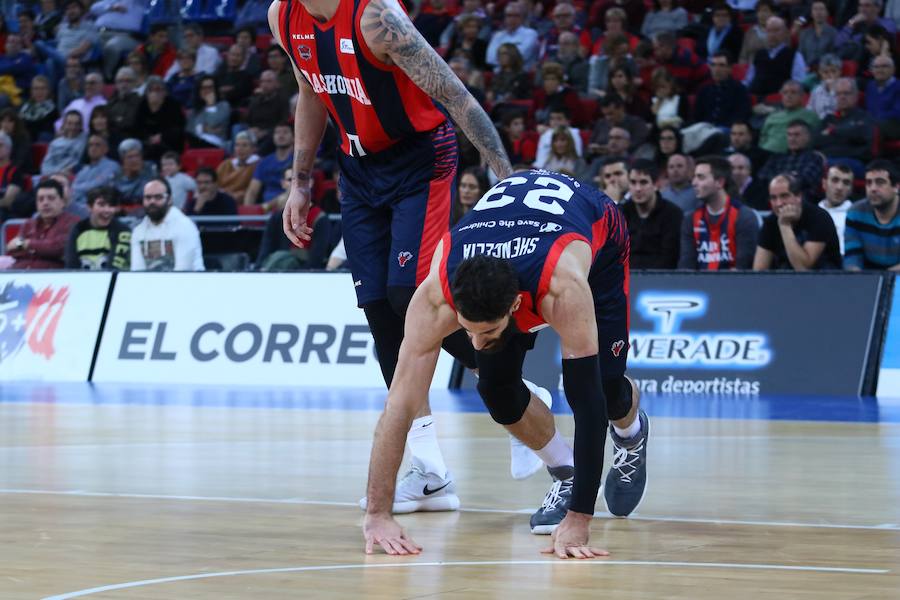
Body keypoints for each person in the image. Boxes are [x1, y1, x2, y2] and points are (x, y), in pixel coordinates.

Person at [271, 0, 543, 514]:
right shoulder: (282, 17)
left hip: (420, 159)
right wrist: (301, 181)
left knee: (408, 297)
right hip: (357, 171)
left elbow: (452, 93)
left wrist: (503, 173)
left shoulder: (377, 18)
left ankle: (517, 391)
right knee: (379, 314)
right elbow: (310, 90)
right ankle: (431, 473)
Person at [362, 170, 648, 559]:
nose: (476, 344)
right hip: (514, 233)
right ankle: (565, 472)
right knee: (496, 390)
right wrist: (379, 513)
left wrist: (580, 519)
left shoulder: (563, 287)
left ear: (515, 306)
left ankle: (631, 433)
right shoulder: (435, 295)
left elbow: (586, 402)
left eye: (488, 331)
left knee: (606, 388)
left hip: (596, 235)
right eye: (468, 331)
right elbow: (399, 405)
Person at [679, 155, 759, 270]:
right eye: (694, 177)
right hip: (699, 286)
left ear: (719, 182)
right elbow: (685, 268)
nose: (694, 183)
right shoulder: (690, 220)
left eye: (700, 177)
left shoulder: (744, 216)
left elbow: (744, 269)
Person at [753, 174, 842, 271]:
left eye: (784, 196)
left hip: (824, 280)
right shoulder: (770, 222)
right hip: (784, 281)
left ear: (798, 196)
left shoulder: (819, 218)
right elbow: (759, 271)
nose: (778, 203)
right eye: (773, 198)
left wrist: (785, 225)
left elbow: (803, 268)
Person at [131, 178, 204, 272]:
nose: (152, 201)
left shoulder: (184, 226)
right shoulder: (138, 231)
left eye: (158, 197)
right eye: (148, 197)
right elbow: (137, 272)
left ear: (169, 199)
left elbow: (183, 271)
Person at [5, 179, 80, 269]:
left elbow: (58, 248)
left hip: (51, 278)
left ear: (62, 202)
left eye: (51, 198)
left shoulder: (73, 222)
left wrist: (27, 244)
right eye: (41, 199)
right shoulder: (28, 224)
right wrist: (42, 249)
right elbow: (12, 251)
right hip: (19, 273)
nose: (45, 203)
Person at [621, 159, 682, 268]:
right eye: (633, 182)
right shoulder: (621, 213)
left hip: (660, 279)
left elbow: (670, 257)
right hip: (626, 278)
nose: (637, 188)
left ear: (656, 184)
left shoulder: (673, 214)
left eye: (643, 182)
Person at [844, 160, 900, 270]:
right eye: (869, 183)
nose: (873, 188)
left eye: (880, 182)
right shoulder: (855, 212)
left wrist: (884, 278)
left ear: (896, 187)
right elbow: (852, 257)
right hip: (868, 280)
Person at [64, 186, 130, 270]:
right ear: (89, 207)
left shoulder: (122, 231)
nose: (107, 210)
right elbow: (71, 266)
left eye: (111, 205)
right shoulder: (77, 229)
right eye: (101, 204)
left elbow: (114, 269)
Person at [745, 16, 807, 97]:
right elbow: (749, 80)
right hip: (756, 100)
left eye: (776, 30)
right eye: (769, 31)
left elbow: (799, 83)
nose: (772, 35)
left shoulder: (795, 56)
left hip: (780, 102)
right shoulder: (759, 55)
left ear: (785, 32)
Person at [758, 120, 824, 195]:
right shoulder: (777, 158)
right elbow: (762, 176)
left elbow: (805, 180)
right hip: (774, 198)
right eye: (789, 135)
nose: (792, 139)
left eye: (796, 135)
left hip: (803, 200)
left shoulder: (814, 157)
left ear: (807, 137)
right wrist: (792, 175)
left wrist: (778, 178)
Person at [758, 80, 821, 154]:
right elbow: (762, 138)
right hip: (765, 154)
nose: (788, 96)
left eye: (793, 92)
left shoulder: (811, 116)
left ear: (802, 96)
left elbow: (814, 140)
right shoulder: (772, 117)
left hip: (791, 156)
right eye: (785, 93)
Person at [694, 50, 751, 127]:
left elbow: (741, 116)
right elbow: (696, 117)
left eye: (721, 65)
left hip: (727, 131)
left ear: (730, 68)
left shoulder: (740, 90)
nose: (716, 69)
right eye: (713, 65)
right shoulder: (704, 90)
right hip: (703, 129)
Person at [485, 1, 539, 71]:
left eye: (516, 15)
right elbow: (490, 58)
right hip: (498, 75)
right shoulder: (498, 35)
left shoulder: (530, 34)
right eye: (509, 15)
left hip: (521, 74)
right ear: (504, 18)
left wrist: (501, 57)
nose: (512, 19)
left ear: (522, 18)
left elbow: (521, 57)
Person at [72, 134, 120, 205]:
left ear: (106, 149)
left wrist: (79, 188)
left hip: (102, 205)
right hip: (79, 204)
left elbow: (98, 185)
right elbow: (73, 188)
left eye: (97, 145)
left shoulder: (112, 165)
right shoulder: (84, 170)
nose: (93, 148)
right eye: (90, 145)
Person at [817, 164, 855, 255]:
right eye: (835, 180)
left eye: (846, 183)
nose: (839, 187)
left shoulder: (857, 214)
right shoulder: (811, 214)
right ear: (824, 184)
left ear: (851, 189)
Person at [216, 130, 259, 205]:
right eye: (237, 145)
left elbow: (252, 190)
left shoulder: (258, 165)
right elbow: (214, 183)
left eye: (244, 145)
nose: (240, 149)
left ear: (253, 148)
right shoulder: (225, 164)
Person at [41, 110, 87, 176]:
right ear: (64, 124)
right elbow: (45, 167)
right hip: (54, 175)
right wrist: (59, 172)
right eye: (69, 123)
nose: (73, 127)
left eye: (77, 124)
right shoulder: (55, 143)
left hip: (73, 176)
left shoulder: (85, 139)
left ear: (81, 125)